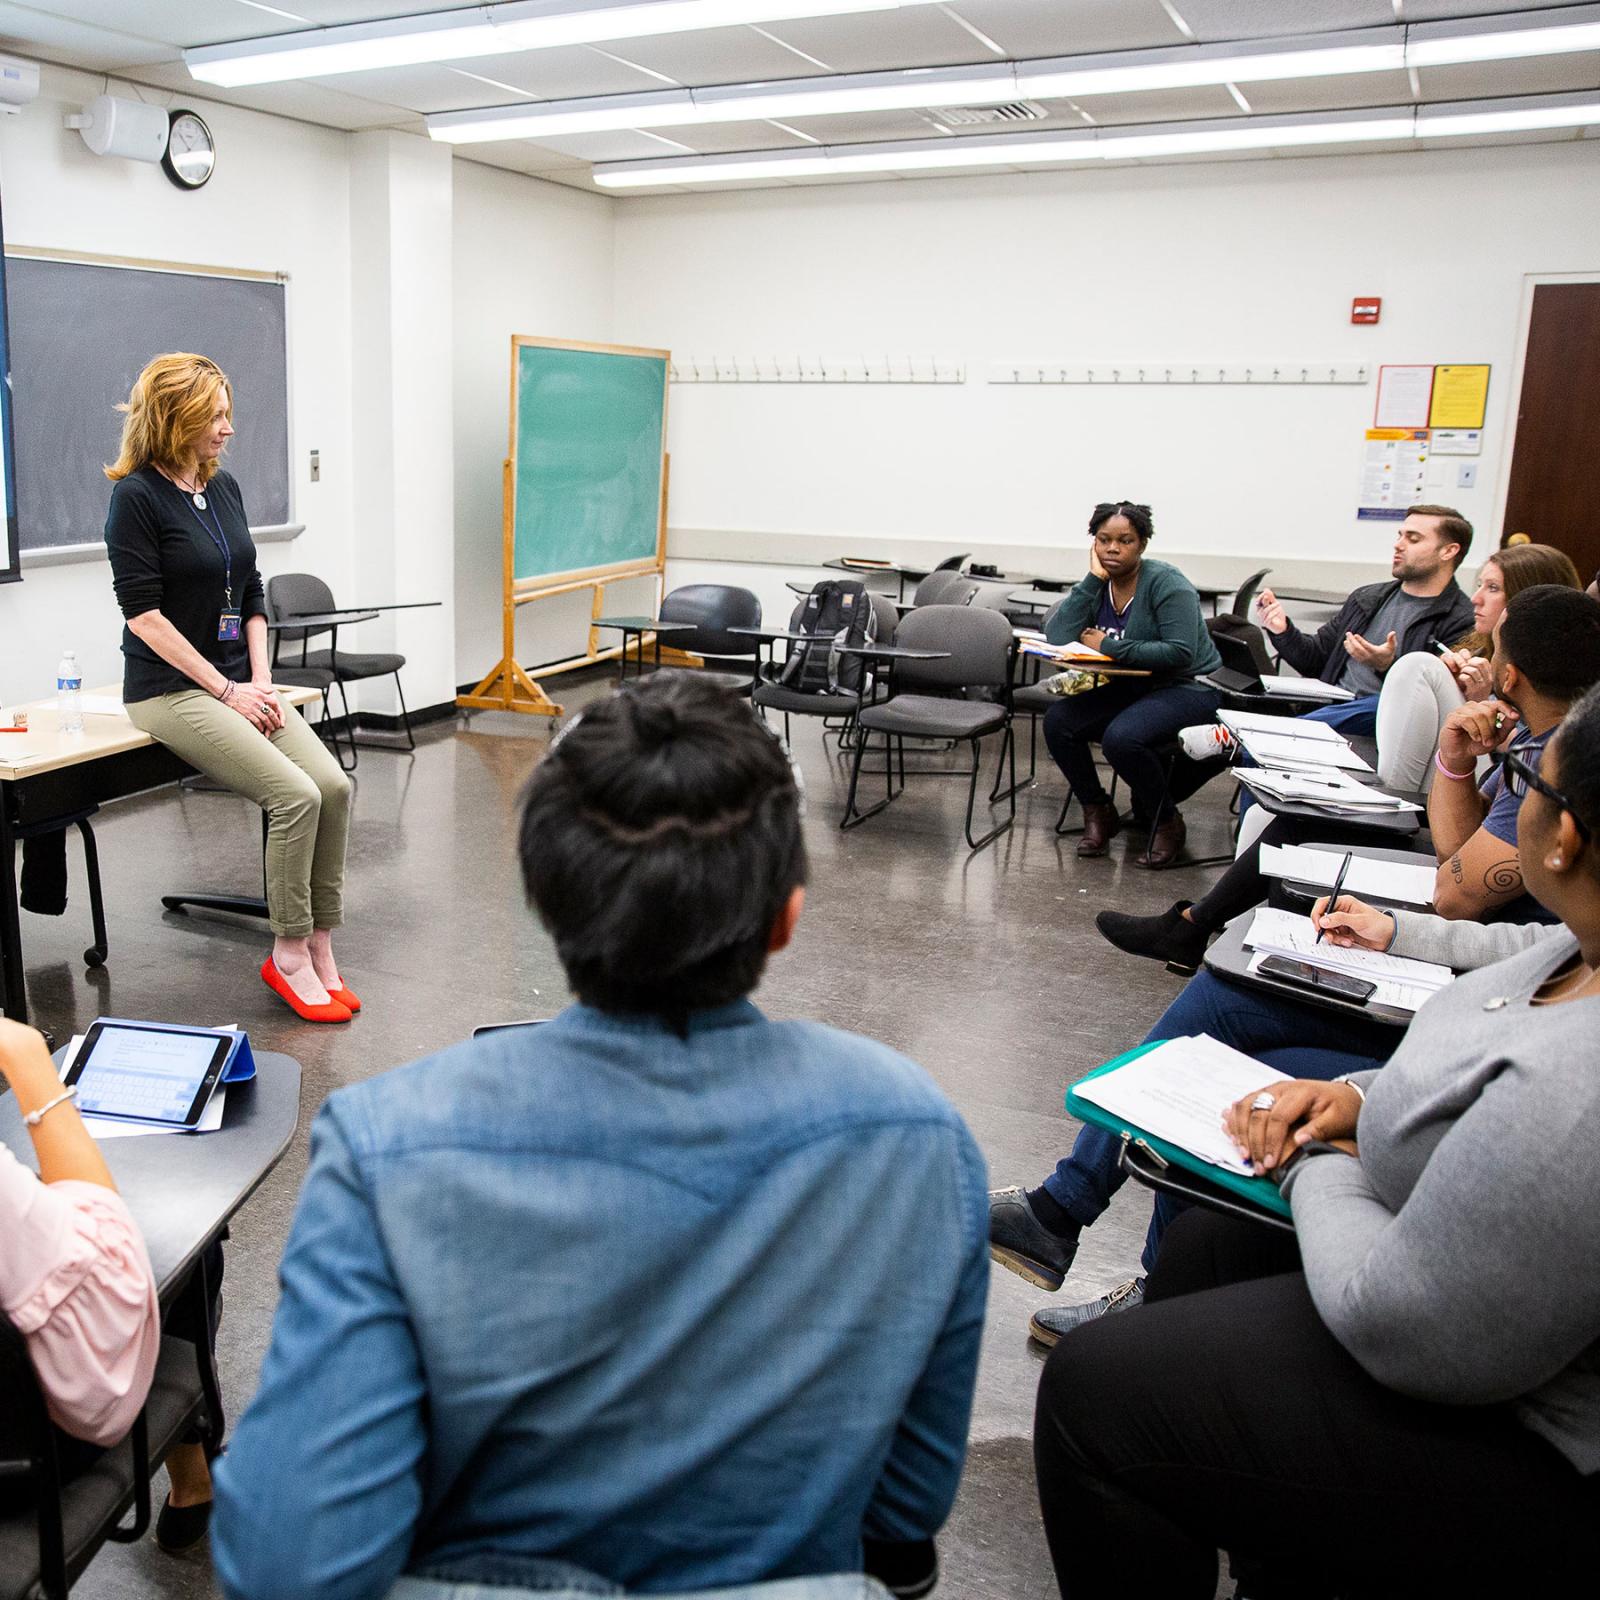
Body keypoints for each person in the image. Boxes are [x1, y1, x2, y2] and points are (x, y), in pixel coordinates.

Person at [213, 675, 988, 1600]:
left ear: (544, 901)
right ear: (787, 915)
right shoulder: (920, 1134)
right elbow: (905, 1520)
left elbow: (292, 1567)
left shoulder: (390, 1146)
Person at [1031, 681, 1600, 1599]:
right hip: (1429, 1250)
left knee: (1092, 1397)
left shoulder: (1583, 1090)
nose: (1516, 788)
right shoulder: (1574, 945)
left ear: (1566, 836)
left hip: (1532, 1446)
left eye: (1530, 777)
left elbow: (1406, 1327)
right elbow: (1496, 997)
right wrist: (1356, 1099)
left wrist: (1313, 1162)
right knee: (1212, 1245)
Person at [1096, 584, 1600, 971]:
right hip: (1473, 879)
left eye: (1495, 643)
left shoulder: (1551, 761)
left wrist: (1457, 766)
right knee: (1301, 823)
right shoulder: (1538, 737)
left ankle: (1208, 949)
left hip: (1501, 933)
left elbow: (1453, 890)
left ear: (1509, 677)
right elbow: (1462, 844)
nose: (1480, 611)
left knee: (1297, 860)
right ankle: (1190, 928)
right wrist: (1455, 758)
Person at [103, 353, 356, 1024]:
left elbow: (249, 590)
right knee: (294, 795)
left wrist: (263, 681)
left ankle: (323, 942)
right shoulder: (135, 498)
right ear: (176, 417)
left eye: (227, 414)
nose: (228, 428)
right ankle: (290, 953)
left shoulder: (224, 489)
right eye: (216, 415)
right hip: (170, 690)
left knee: (334, 786)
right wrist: (227, 691)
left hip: (240, 683)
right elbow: (144, 617)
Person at [1, 1018, 159, 1455]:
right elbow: (117, 1287)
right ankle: (194, 1487)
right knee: (178, 1254)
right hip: (29, 1452)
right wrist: (30, 1063)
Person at [1040, 502, 1222, 867]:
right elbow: (1057, 633)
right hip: (1134, 684)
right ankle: (1097, 810)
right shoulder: (1098, 584)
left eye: (1125, 541)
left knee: (1122, 738)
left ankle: (1166, 820)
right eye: (1104, 540)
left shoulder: (1168, 584)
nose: (1112, 549)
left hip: (1188, 687)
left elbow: (1180, 653)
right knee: (1059, 722)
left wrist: (1107, 646)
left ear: (1142, 544)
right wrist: (1092, 581)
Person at [1253, 505, 1475, 737]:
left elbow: (1430, 699)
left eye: (1413, 539)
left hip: (1385, 729)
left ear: (1448, 551)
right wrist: (1282, 629)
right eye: (1400, 535)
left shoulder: (1461, 620)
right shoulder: (1367, 598)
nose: (1398, 544)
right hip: (1328, 709)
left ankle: (1268, 736)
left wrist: (1385, 666)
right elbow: (1315, 659)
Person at [1374, 541, 1579, 790]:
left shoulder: (1556, 665)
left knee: (1419, 668)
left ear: (1527, 598)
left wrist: (1482, 703)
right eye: (1480, 585)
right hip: (1467, 765)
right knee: (1428, 670)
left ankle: (1388, 803)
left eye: (1492, 588)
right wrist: (1452, 682)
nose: (1475, 598)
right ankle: (1393, 800)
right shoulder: (1481, 648)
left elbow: (1536, 748)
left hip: (1506, 780)